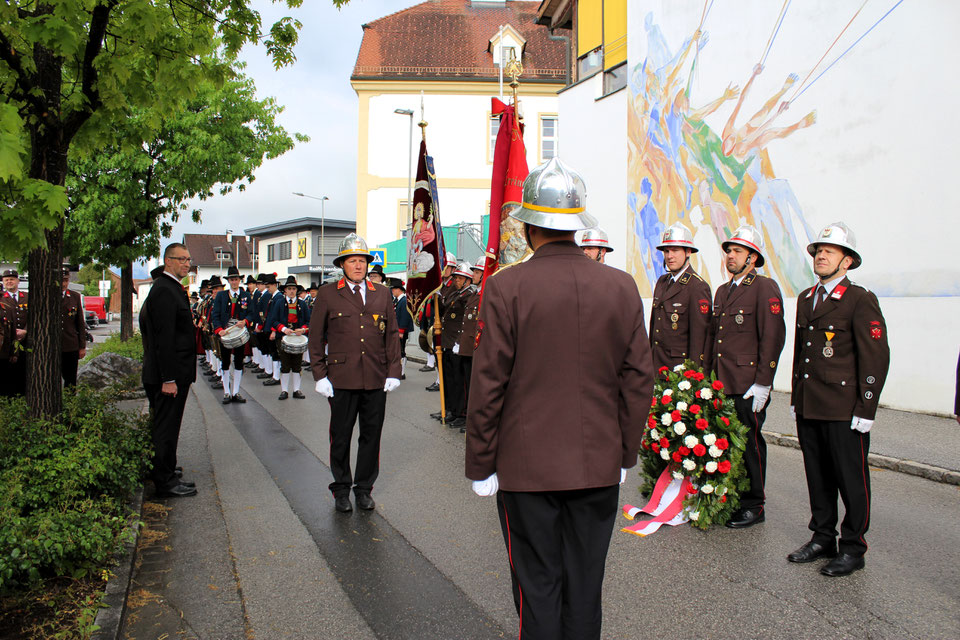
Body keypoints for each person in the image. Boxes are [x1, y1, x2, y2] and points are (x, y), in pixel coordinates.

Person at [466, 158, 655, 639]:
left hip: (526, 469)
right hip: (598, 464)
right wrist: (624, 453)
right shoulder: (621, 286)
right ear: (575, 225)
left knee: (537, 588)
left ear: (530, 227)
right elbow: (638, 378)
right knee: (585, 587)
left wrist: (481, 463)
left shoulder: (506, 286)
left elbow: (489, 382)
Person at [788, 222, 889, 577]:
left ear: (847, 261)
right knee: (818, 477)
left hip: (844, 409)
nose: (821, 256)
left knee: (851, 480)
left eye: (829, 251)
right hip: (811, 403)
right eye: (819, 250)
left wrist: (867, 406)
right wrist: (796, 396)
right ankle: (822, 537)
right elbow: (802, 352)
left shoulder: (860, 299)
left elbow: (876, 356)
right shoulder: (806, 298)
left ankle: (853, 547)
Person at [309, 233, 401, 513]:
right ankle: (341, 489)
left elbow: (391, 335)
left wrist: (393, 370)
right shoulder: (328, 294)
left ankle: (363, 489)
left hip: (375, 376)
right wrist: (320, 375)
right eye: (352, 261)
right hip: (341, 378)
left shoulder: (381, 293)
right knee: (341, 436)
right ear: (342, 264)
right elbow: (315, 337)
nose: (358, 266)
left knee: (371, 437)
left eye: (362, 260)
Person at [705, 224, 786, 529]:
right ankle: (731, 498)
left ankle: (754, 504)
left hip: (747, 384)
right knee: (725, 443)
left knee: (749, 444)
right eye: (729, 251)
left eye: (737, 251)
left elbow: (773, 337)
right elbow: (715, 339)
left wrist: (764, 382)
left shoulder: (764, 288)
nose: (730, 256)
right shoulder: (722, 291)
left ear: (752, 258)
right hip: (722, 381)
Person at [140, 243, 198, 498]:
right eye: (181, 259)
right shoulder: (165, 290)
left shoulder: (170, 287)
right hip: (168, 376)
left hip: (173, 373)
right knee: (165, 428)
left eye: (188, 259)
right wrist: (169, 378)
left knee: (169, 426)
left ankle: (167, 469)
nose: (187, 264)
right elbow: (164, 339)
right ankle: (165, 482)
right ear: (168, 261)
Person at [649, 223, 712, 371]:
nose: (669, 256)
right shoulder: (662, 282)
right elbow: (654, 329)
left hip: (680, 371)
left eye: (675, 250)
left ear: (688, 252)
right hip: (657, 366)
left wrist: (694, 375)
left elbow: (699, 338)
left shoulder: (697, 286)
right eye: (666, 251)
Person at [434, 262, 475, 427]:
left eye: (460, 278)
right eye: (456, 278)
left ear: (467, 280)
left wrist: (459, 341)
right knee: (449, 380)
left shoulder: (469, 296)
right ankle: (451, 409)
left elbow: (466, 322)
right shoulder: (455, 294)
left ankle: (461, 412)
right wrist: (436, 296)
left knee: (459, 382)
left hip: (457, 343)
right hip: (448, 342)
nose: (456, 280)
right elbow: (444, 310)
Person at [211, 266, 255, 404]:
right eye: (232, 280)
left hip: (239, 333)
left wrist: (245, 321)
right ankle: (226, 392)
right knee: (225, 361)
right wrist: (219, 330)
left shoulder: (246, 295)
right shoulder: (221, 296)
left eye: (236, 279)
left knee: (239, 361)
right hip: (225, 333)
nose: (234, 282)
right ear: (228, 281)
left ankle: (236, 392)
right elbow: (215, 314)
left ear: (239, 280)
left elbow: (251, 313)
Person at [268, 275, 311, 400]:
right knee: (285, 364)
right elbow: (273, 320)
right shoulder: (279, 303)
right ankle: (284, 390)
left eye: (294, 289)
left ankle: (296, 390)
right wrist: (283, 329)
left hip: (298, 337)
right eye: (289, 289)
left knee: (297, 365)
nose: (292, 291)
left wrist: (302, 329)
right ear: (285, 291)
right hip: (283, 337)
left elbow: (308, 321)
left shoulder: (302, 304)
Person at [1, 269, 27, 396]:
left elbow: (34, 316)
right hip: (8, 343)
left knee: (24, 373)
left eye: (12, 279)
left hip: (26, 341)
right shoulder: (2, 298)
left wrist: (26, 330)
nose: (9, 282)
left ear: (18, 281)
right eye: (6, 280)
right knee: (8, 375)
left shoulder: (27, 297)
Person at [60, 267, 87, 388]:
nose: (63, 284)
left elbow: (80, 323)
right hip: (54, 345)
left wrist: (82, 346)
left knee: (70, 379)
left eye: (66, 280)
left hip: (71, 344)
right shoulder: (49, 296)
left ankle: (70, 399)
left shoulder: (74, 296)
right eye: (61, 280)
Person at [257, 273, 282, 387]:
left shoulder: (278, 297)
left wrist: (274, 330)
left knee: (275, 353)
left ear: (274, 285)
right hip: (269, 327)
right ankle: (273, 374)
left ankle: (276, 376)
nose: (267, 289)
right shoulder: (273, 297)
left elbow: (276, 315)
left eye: (268, 287)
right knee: (272, 352)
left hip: (274, 328)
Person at [388, 278, 413, 380]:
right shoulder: (397, 300)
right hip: (397, 330)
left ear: (399, 289)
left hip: (401, 330)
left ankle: (402, 372)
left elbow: (404, 317)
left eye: (393, 289)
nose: (392, 291)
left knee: (401, 351)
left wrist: (401, 331)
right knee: (397, 351)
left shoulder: (404, 301)